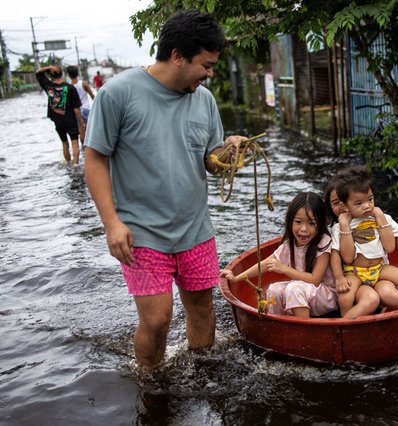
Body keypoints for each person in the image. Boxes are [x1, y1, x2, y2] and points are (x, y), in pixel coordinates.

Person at [83, 10, 245, 372]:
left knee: (202, 307)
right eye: (206, 64)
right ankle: (150, 383)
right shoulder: (118, 94)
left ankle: (203, 373)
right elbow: (94, 159)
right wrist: (111, 224)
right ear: (177, 56)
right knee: (157, 320)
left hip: (195, 228)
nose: (210, 73)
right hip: (142, 233)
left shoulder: (204, 100)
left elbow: (210, 159)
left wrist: (229, 152)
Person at [221, 192, 337, 318]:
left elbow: (314, 280)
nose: (304, 229)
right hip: (304, 293)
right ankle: (278, 326)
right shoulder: (289, 245)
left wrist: (284, 269)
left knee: (294, 288)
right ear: (290, 221)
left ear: (320, 225)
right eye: (298, 222)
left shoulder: (323, 242)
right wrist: (236, 278)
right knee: (274, 289)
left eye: (311, 223)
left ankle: (303, 331)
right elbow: (265, 265)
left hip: (326, 296)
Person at [330, 165, 398, 319]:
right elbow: (340, 256)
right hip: (354, 272)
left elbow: (393, 243)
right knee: (345, 297)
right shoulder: (339, 227)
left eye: (370, 199)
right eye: (358, 203)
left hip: (380, 267)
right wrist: (339, 278)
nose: (367, 205)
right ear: (344, 206)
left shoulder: (382, 217)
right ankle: (343, 327)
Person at [35, 64, 85, 165]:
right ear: (62, 74)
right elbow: (76, 108)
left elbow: (38, 73)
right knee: (75, 143)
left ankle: (68, 163)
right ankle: (75, 165)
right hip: (70, 120)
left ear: (51, 75)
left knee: (64, 143)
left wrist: (48, 68)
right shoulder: (70, 87)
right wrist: (81, 121)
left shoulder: (48, 86)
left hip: (58, 121)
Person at [66, 65, 95, 144]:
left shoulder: (68, 86)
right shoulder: (84, 83)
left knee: (81, 130)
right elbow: (92, 96)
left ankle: (84, 149)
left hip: (76, 111)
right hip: (86, 109)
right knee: (91, 130)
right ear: (78, 73)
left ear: (68, 75)